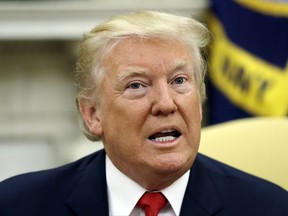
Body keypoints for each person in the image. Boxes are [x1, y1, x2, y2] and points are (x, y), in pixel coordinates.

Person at [0, 10, 287, 216]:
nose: (166, 103)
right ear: (92, 114)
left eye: (179, 81)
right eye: (136, 85)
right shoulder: (17, 205)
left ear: (198, 104)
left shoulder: (270, 208)